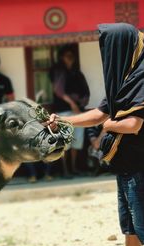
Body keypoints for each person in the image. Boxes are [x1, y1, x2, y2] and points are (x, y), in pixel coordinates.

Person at [47, 23, 144, 246]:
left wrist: (109, 125)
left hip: (143, 169)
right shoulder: (123, 81)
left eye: (108, 47)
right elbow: (99, 113)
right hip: (125, 167)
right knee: (131, 230)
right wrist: (65, 120)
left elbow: (132, 125)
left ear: (121, 48)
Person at [50, 46, 90, 176]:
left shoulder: (77, 73)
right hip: (63, 111)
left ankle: (74, 168)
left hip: (79, 112)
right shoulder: (58, 71)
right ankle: (65, 170)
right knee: (64, 142)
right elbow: (58, 90)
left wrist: (79, 104)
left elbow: (86, 93)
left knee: (76, 141)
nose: (70, 58)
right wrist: (72, 103)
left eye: (71, 55)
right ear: (62, 57)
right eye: (67, 55)